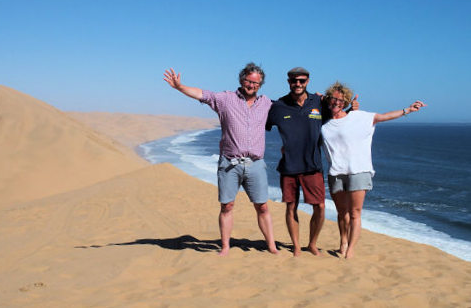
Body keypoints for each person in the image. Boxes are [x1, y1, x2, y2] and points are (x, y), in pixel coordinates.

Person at [163, 63, 278, 256]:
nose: (251, 85)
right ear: (242, 80)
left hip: (256, 164)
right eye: (249, 81)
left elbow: (291, 110)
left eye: (256, 83)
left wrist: (318, 101)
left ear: (260, 85)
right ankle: (225, 247)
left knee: (263, 206)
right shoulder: (225, 99)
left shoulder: (267, 103)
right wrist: (180, 87)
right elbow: (202, 94)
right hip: (229, 164)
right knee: (227, 206)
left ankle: (272, 246)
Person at [321, 81, 426, 259]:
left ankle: (351, 249)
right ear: (328, 100)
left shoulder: (360, 117)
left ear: (346, 101)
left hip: (359, 170)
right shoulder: (324, 123)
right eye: (333, 99)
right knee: (341, 212)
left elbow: (384, 116)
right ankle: (343, 242)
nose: (336, 102)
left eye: (341, 100)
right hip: (336, 172)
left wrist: (407, 110)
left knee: (355, 212)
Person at [266, 67, 358, 256]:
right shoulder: (278, 106)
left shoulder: (319, 102)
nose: (297, 84)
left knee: (320, 207)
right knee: (291, 206)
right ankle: (297, 246)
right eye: (294, 81)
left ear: (307, 81)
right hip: (289, 166)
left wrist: (351, 109)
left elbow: (337, 114)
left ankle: (312, 243)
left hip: (312, 166)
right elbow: (260, 125)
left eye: (301, 81)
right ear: (288, 82)